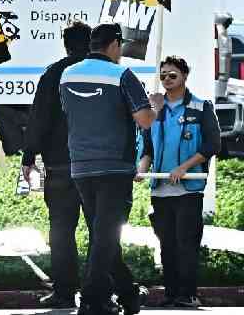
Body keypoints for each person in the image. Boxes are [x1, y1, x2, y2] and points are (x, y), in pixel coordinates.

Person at [59, 23, 156, 315]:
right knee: (106, 235)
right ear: (114, 44)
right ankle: (92, 299)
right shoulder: (121, 75)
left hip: (81, 166)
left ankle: (128, 293)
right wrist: (155, 106)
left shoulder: (68, 75)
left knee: (102, 235)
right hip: (114, 167)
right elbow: (145, 120)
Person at [137, 56, 220, 309]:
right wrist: (141, 170)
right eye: (163, 75)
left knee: (187, 244)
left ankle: (188, 294)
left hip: (188, 189)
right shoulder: (154, 109)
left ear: (185, 76)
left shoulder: (200, 107)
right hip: (160, 190)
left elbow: (212, 144)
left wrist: (184, 167)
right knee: (167, 245)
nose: (167, 79)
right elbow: (147, 148)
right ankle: (171, 294)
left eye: (172, 75)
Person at [21, 21, 92, 309]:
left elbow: (39, 118)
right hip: (97, 167)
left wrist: (28, 157)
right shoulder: (103, 73)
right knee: (101, 231)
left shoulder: (53, 74)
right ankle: (102, 291)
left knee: (61, 232)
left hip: (60, 166)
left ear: (65, 45)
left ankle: (64, 292)